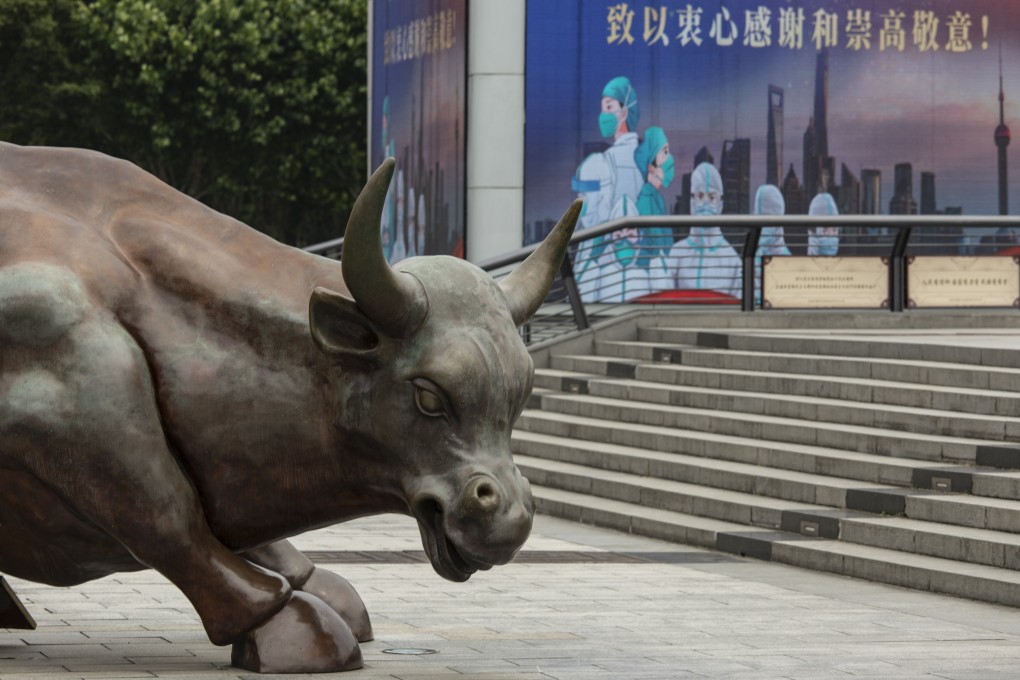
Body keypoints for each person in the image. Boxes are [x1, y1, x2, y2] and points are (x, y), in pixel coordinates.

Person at [667, 162, 741, 297]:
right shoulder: (677, 253)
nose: (705, 203)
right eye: (700, 196)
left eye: (712, 197)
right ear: (691, 201)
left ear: (720, 205)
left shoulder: (732, 259)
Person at [591, 76, 644, 227]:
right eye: (602, 110)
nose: (603, 116)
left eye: (609, 107)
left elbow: (600, 216)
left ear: (625, 113)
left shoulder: (608, 159)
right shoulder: (645, 155)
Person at [634, 126, 676, 269]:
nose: (669, 158)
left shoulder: (656, 198)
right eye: (664, 152)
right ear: (650, 166)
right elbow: (656, 246)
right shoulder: (646, 200)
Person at [753, 184, 791, 301]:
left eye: (767, 217)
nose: (763, 223)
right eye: (759, 217)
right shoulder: (755, 255)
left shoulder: (787, 262)